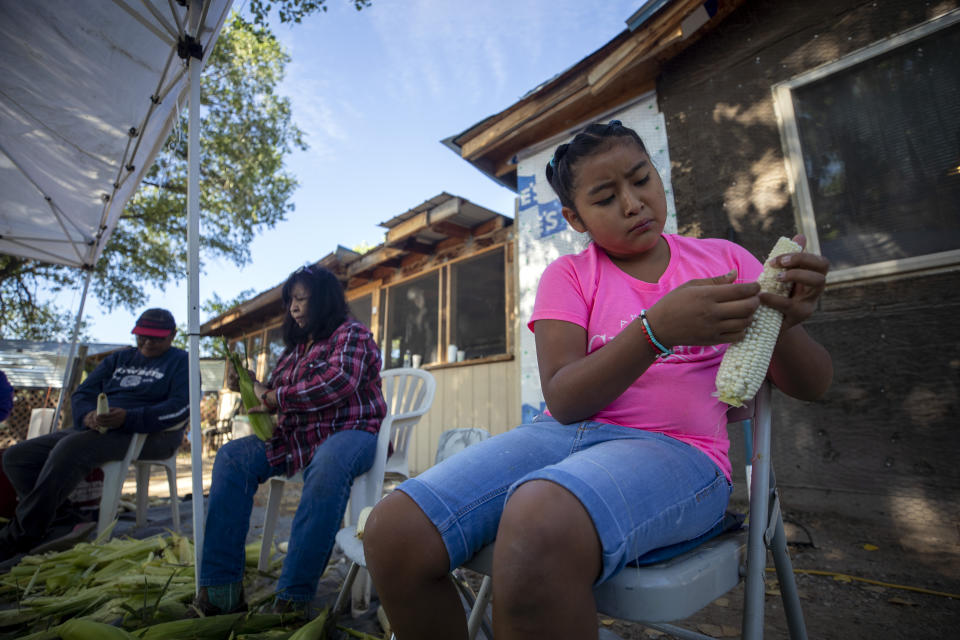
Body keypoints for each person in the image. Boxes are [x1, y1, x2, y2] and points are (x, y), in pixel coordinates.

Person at [363, 120, 833, 639]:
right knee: (394, 531)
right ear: (575, 217)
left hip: (680, 451)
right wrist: (656, 330)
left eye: (641, 180)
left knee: (539, 518)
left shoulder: (726, 261)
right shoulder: (569, 275)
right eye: (606, 198)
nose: (633, 204)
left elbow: (812, 384)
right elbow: (564, 400)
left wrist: (784, 321)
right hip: (559, 436)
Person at [194, 265, 386, 616]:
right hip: (297, 439)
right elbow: (273, 393)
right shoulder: (295, 350)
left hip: (351, 432)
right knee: (232, 457)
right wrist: (249, 386)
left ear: (324, 300)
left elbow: (336, 382)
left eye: (301, 299)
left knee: (328, 464)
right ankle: (221, 592)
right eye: (290, 301)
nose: (293, 308)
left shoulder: (353, 335)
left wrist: (272, 397)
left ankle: (293, 599)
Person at [0, 309, 188, 562]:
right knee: (17, 456)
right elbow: (82, 394)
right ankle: (64, 520)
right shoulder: (119, 359)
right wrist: (87, 415)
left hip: (150, 435)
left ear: (173, 336)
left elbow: (180, 408)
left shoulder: (182, 362)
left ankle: (20, 537)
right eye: (141, 336)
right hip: (98, 427)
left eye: (155, 338)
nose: (147, 342)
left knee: (71, 449)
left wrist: (129, 418)